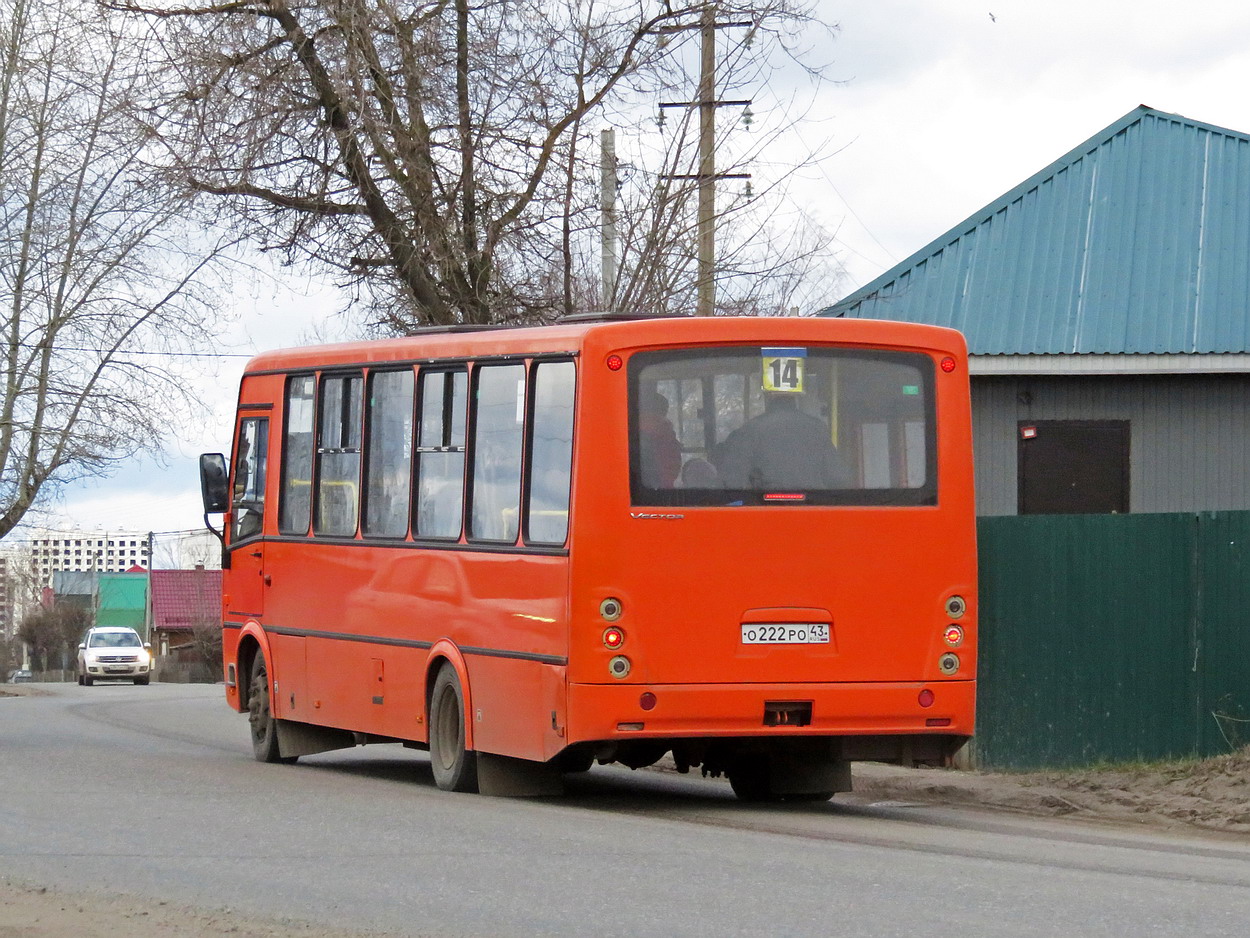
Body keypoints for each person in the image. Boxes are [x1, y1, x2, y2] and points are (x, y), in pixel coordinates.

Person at [715, 393, 844, 490]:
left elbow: (732, 481)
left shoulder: (749, 430)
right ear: (795, 399)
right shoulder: (817, 428)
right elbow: (837, 477)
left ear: (767, 398)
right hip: (812, 512)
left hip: (761, 513)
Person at [638, 389, 681, 487]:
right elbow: (671, 470)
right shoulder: (666, 434)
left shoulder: (630, 431)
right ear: (664, 411)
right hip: (661, 492)